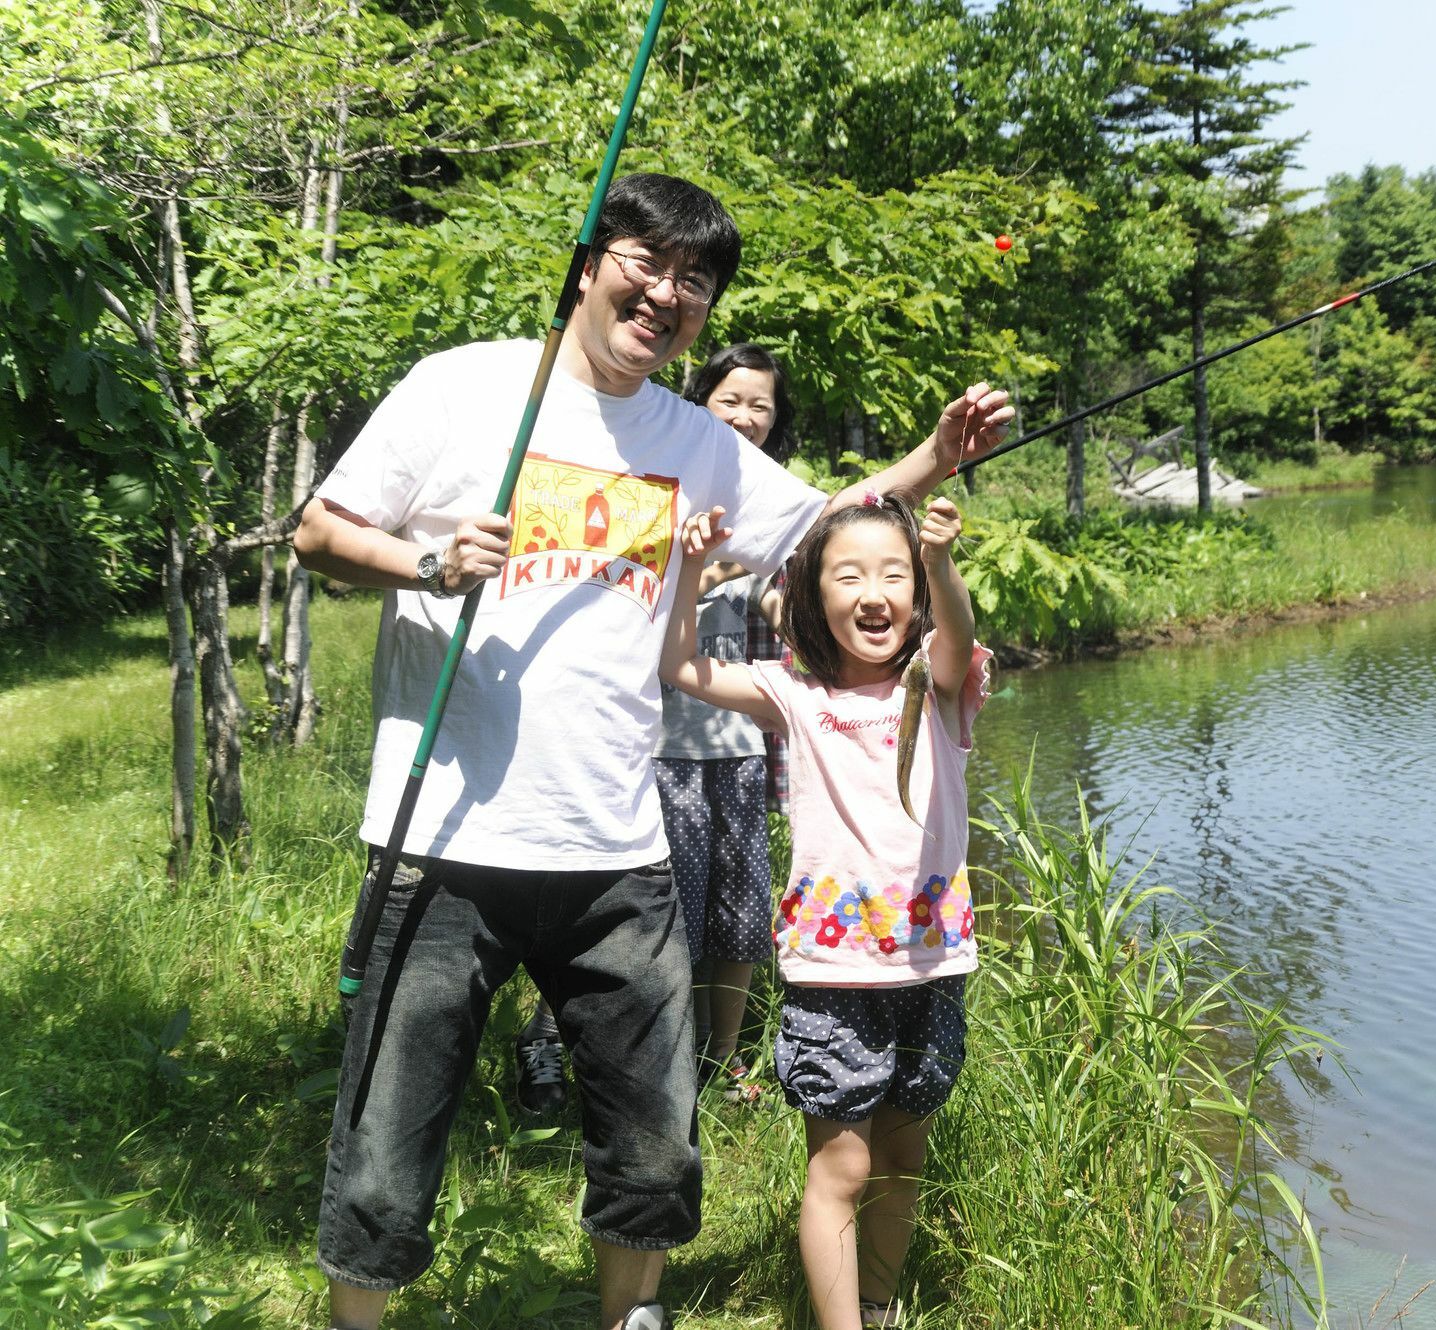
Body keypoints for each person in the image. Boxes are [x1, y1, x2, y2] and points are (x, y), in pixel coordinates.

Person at [292, 172, 1010, 1330]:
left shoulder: (693, 440)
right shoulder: (464, 389)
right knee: (388, 1128)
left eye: (695, 282)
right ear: (587, 265)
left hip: (614, 842)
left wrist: (933, 456)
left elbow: (831, 522)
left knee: (652, 1132)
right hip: (441, 841)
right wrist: (427, 565)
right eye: (646, 263)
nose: (666, 294)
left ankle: (634, 1315)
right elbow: (316, 531)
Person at [661, 491, 987, 1330]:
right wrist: (690, 566)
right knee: (841, 1165)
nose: (874, 592)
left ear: (917, 593)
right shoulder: (795, 694)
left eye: (896, 574)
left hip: (931, 962)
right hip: (831, 972)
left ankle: (876, 1308)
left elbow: (953, 636)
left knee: (904, 1155)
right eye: (849, 575)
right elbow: (684, 669)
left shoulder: (940, 685)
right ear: (815, 595)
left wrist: (944, 561)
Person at [513, 343, 795, 1113]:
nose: (745, 415)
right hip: (643, 751)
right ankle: (550, 1042)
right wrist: (711, 567)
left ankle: (723, 1062)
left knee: (737, 918)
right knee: (629, 918)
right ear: (697, 404)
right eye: (730, 399)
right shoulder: (656, 486)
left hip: (731, 753)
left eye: (761, 405)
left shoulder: (762, 517)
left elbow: (782, 610)